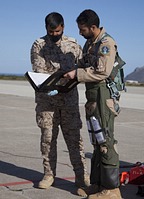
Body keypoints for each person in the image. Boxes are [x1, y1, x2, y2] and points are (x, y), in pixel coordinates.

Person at [64, 9, 122, 199]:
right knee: (97, 140)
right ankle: (98, 184)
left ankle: (112, 189)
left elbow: (102, 72)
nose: (80, 32)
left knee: (106, 141)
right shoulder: (90, 43)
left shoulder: (106, 44)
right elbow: (82, 65)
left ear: (93, 27)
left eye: (82, 29)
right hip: (92, 95)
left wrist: (77, 74)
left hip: (102, 95)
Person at [30, 12, 90, 194]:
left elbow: (82, 67)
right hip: (47, 102)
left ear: (63, 27)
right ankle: (49, 174)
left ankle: (81, 179)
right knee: (48, 139)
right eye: (50, 31)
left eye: (57, 31)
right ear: (45, 28)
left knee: (74, 140)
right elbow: (39, 71)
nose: (54, 34)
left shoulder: (73, 45)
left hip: (69, 100)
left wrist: (73, 76)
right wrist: (63, 75)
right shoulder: (38, 46)